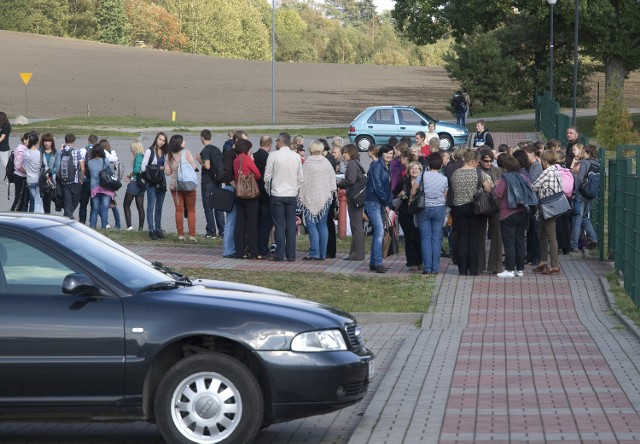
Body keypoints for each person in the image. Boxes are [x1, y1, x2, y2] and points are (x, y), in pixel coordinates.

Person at [450, 149, 491, 276]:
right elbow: (488, 189)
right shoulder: (478, 173)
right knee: (474, 239)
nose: (479, 163)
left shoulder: (456, 173)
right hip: (474, 208)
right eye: (478, 161)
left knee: (462, 238)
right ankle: (473, 269)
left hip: (459, 208)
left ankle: (462, 269)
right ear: (473, 161)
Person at [264, 132, 304, 262]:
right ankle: (291, 255)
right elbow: (300, 177)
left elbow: (267, 177)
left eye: (276, 141)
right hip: (291, 194)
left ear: (281, 141)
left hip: (277, 194)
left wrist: (269, 191)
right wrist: (295, 189)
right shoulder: (296, 156)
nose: (275, 143)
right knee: (291, 225)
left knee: (279, 225)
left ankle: (279, 254)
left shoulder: (273, 156)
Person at [494, 155, 535, 278]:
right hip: (522, 212)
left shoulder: (504, 179)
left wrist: (495, 186)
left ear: (505, 167)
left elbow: (498, 194)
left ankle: (509, 269)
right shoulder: (523, 177)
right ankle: (520, 269)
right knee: (520, 241)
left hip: (507, 213)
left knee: (509, 242)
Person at [298, 140, 337, 261]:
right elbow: (332, 182)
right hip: (324, 198)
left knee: (311, 225)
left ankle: (314, 252)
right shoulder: (326, 163)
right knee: (322, 225)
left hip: (310, 197)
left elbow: (302, 180)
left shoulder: (308, 163)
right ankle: (323, 253)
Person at [412, 152, 448, 275]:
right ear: (441, 164)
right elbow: (445, 194)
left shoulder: (422, 175)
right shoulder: (444, 178)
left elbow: (413, 192)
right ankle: (435, 268)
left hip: (424, 208)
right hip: (439, 208)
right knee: (436, 239)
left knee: (425, 239)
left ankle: (427, 268)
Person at [531, 150, 563, 275]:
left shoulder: (547, 172)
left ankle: (554, 265)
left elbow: (534, 186)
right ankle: (543, 262)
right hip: (553, 205)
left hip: (548, 206)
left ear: (544, 161)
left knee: (551, 236)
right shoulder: (556, 170)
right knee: (541, 234)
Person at [364, 144, 394, 274]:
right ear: (381, 153)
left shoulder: (387, 166)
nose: (389, 155)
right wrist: (386, 203)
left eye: (391, 154)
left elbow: (388, 187)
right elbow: (377, 187)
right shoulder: (377, 166)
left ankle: (373, 262)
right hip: (373, 202)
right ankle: (377, 263)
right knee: (380, 232)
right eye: (387, 153)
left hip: (381, 203)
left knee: (378, 232)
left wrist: (388, 203)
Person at [164, 135, 198, 242]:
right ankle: (192, 235)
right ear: (180, 143)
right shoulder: (186, 152)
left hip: (176, 186)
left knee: (179, 210)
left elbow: (168, 172)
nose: (185, 141)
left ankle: (181, 235)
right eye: (183, 140)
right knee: (191, 210)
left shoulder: (168, 155)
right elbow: (193, 167)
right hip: (189, 185)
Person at [233, 138, 262, 259]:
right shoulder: (247, 159)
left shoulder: (236, 160)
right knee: (252, 223)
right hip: (250, 194)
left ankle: (240, 250)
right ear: (246, 149)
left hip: (239, 193)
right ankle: (253, 250)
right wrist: (252, 161)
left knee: (240, 222)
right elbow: (258, 174)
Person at [338, 143, 366, 261]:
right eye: (343, 153)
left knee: (356, 226)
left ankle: (357, 254)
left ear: (351, 153)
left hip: (355, 198)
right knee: (357, 225)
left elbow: (351, 179)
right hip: (359, 198)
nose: (344, 155)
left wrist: (339, 183)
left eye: (346, 153)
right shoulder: (357, 163)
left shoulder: (352, 164)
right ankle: (355, 253)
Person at [222, 130, 247, 258]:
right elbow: (227, 172)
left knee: (236, 220)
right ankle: (228, 250)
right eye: (244, 141)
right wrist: (236, 186)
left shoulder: (238, 153)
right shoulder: (229, 153)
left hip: (237, 189)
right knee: (231, 220)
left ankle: (235, 247)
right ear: (237, 141)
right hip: (231, 189)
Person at [394, 159, 422, 271]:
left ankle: (420, 261)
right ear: (408, 170)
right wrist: (400, 194)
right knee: (409, 238)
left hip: (419, 213)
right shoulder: (403, 182)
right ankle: (411, 262)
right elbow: (394, 192)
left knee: (419, 237)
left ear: (420, 171)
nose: (414, 171)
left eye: (417, 169)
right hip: (405, 213)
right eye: (412, 168)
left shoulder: (423, 182)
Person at [570, 144, 599, 251]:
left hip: (581, 194)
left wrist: (574, 191)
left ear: (588, 153)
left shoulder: (585, 163)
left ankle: (573, 244)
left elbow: (579, 179)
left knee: (578, 218)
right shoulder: (597, 164)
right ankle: (593, 238)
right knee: (585, 217)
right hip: (591, 194)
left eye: (584, 152)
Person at [477, 148, 502, 274]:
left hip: (495, 205)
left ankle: (495, 266)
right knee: (479, 235)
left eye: (491, 160)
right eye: (486, 161)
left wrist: (498, 185)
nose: (488, 163)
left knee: (497, 236)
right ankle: (479, 265)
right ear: (480, 160)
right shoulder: (477, 171)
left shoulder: (497, 170)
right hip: (481, 205)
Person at [197, 129, 225, 239]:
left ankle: (211, 232)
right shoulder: (217, 149)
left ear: (202, 138)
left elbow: (207, 166)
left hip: (208, 181)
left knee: (208, 207)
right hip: (217, 180)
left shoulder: (205, 150)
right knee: (218, 206)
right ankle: (222, 231)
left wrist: (199, 160)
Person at [141, 132, 167, 240]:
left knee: (159, 207)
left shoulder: (165, 152)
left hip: (161, 181)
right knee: (150, 206)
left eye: (163, 140)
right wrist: (157, 168)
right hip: (151, 181)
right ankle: (151, 230)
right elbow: (143, 167)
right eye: (160, 139)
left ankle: (158, 229)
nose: (161, 142)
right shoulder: (149, 151)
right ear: (156, 139)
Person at [55, 133, 85, 218]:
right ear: (74, 141)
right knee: (75, 201)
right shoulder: (77, 152)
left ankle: (67, 216)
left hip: (64, 181)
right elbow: (82, 169)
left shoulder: (61, 152)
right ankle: (68, 216)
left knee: (67, 201)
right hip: (75, 181)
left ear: (65, 141)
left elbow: (57, 167)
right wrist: (81, 179)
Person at [86, 141, 114, 229]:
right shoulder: (105, 160)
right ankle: (104, 226)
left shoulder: (90, 162)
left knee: (95, 208)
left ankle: (92, 226)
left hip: (94, 187)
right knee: (105, 207)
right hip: (105, 186)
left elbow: (90, 173)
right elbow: (112, 172)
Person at [254, 135, 273, 257]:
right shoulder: (269, 157)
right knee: (266, 224)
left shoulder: (254, 156)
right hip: (266, 196)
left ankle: (256, 246)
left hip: (255, 195)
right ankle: (263, 248)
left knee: (257, 222)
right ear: (269, 145)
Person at [122, 140, 146, 231]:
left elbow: (136, 170)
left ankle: (129, 226)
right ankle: (140, 228)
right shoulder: (143, 156)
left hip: (135, 183)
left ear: (136, 147)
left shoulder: (138, 156)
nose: (131, 149)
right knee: (140, 206)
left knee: (126, 204)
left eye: (131, 147)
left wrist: (129, 175)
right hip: (142, 184)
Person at [101, 139, 121, 229]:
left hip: (107, 183)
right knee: (112, 204)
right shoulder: (112, 153)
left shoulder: (107, 156)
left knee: (108, 205)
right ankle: (117, 223)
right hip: (112, 183)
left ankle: (109, 223)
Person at [78, 134, 98, 224]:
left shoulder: (83, 150)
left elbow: (81, 166)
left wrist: (81, 180)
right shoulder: (99, 151)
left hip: (85, 180)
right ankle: (92, 223)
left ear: (88, 140)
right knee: (94, 205)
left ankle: (82, 222)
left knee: (83, 205)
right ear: (97, 141)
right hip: (95, 182)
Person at [23, 132, 44, 213]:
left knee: (32, 201)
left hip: (29, 180)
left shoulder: (26, 153)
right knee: (38, 201)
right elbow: (44, 166)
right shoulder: (39, 154)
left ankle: (31, 216)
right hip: (38, 179)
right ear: (37, 142)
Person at [10, 132, 30, 212]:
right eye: (29, 140)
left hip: (20, 176)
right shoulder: (22, 150)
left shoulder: (23, 149)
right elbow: (18, 165)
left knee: (21, 199)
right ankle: (12, 216)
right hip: (20, 177)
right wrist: (28, 173)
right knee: (19, 199)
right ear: (24, 140)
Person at [39, 133, 58, 214]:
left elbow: (57, 166)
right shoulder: (39, 152)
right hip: (40, 179)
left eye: (49, 141)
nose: (47, 143)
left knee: (48, 201)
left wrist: (50, 173)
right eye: (45, 141)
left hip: (51, 180)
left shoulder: (56, 152)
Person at [0, 112, 11, 178]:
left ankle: (11, 179)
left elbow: (2, 137)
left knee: (5, 164)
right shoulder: (1, 126)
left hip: (3, 147)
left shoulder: (5, 126)